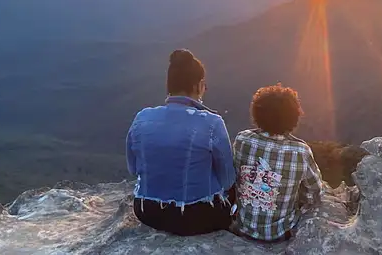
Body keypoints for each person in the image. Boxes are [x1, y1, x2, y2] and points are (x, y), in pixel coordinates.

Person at [126, 49, 237, 236]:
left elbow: (133, 169)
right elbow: (227, 180)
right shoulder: (212, 123)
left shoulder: (142, 117)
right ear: (199, 85)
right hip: (197, 217)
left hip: (146, 211)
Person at [232, 84, 322, 243]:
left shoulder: (242, 140)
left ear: (257, 113)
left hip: (243, 227)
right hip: (281, 233)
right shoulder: (301, 151)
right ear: (293, 118)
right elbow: (314, 191)